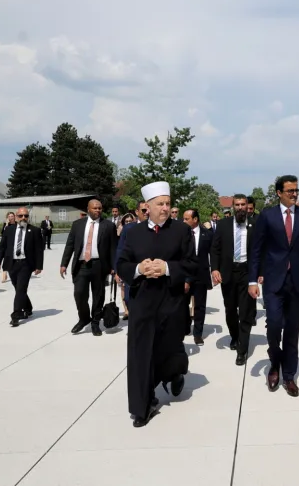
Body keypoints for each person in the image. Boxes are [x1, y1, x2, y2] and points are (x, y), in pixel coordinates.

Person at [117, 182, 197, 428]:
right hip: (142, 301)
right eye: (160, 204)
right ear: (147, 207)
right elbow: (121, 264)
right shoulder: (132, 232)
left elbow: (192, 265)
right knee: (140, 354)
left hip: (171, 302)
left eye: (167, 203)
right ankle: (142, 406)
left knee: (168, 349)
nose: (165, 208)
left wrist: (168, 268)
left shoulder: (181, 232)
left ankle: (172, 374)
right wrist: (140, 269)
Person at [248, 175, 299, 398]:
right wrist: (252, 280)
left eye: (296, 190)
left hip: (297, 280)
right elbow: (256, 249)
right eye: (289, 191)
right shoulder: (267, 216)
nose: (294, 194)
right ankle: (274, 363)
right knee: (274, 325)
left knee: (292, 330)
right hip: (273, 280)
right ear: (279, 192)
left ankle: (289, 375)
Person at [210, 195, 257, 365]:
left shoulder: (255, 225)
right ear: (233, 206)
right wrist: (214, 268)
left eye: (243, 204)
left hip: (247, 273)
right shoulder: (223, 225)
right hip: (228, 273)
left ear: (247, 206)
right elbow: (214, 249)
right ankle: (235, 336)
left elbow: (261, 250)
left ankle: (242, 350)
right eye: (237, 205)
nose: (240, 207)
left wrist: (261, 272)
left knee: (245, 312)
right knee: (230, 310)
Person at [60, 199, 117, 337]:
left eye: (100, 208)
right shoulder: (77, 225)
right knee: (79, 294)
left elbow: (113, 248)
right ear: (88, 209)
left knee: (98, 296)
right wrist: (64, 264)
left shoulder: (108, 226)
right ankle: (84, 318)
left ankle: (95, 322)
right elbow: (70, 245)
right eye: (95, 208)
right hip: (81, 265)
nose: (98, 210)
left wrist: (114, 267)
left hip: (99, 265)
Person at [0, 207, 44, 327]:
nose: (23, 218)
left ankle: (16, 314)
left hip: (26, 264)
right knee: (18, 288)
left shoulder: (35, 231)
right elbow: (2, 246)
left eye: (26, 216)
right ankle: (28, 307)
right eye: (21, 216)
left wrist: (39, 266)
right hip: (12, 263)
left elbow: (39, 250)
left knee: (21, 289)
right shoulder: (9, 230)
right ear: (16, 217)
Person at [182, 209, 213, 345]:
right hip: (184, 274)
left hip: (201, 275)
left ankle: (198, 333)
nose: (184, 221)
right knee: (183, 304)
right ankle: (185, 326)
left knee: (200, 306)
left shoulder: (207, 234)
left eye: (186, 219)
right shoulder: (180, 234)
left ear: (195, 219)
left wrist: (216, 271)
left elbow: (214, 253)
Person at [0, 212, 16, 283]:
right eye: (9, 216)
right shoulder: (6, 225)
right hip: (7, 244)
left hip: (15, 244)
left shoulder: (17, 224)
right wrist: (6, 224)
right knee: (6, 259)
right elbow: (2, 234)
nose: (11, 217)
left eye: (12, 216)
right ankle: (4, 275)